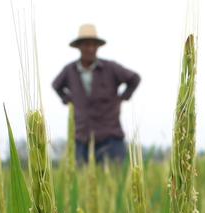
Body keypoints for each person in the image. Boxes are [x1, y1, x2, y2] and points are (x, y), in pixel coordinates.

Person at [52, 24, 140, 164]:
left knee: (116, 180)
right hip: (82, 138)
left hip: (110, 137)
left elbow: (134, 78)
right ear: (79, 47)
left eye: (94, 45)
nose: (90, 49)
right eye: (86, 45)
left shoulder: (110, 68)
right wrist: (68, 100)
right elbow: (56, 85)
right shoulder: (69, 71)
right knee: (81, 182)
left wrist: (122, 98)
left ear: (98, 47)